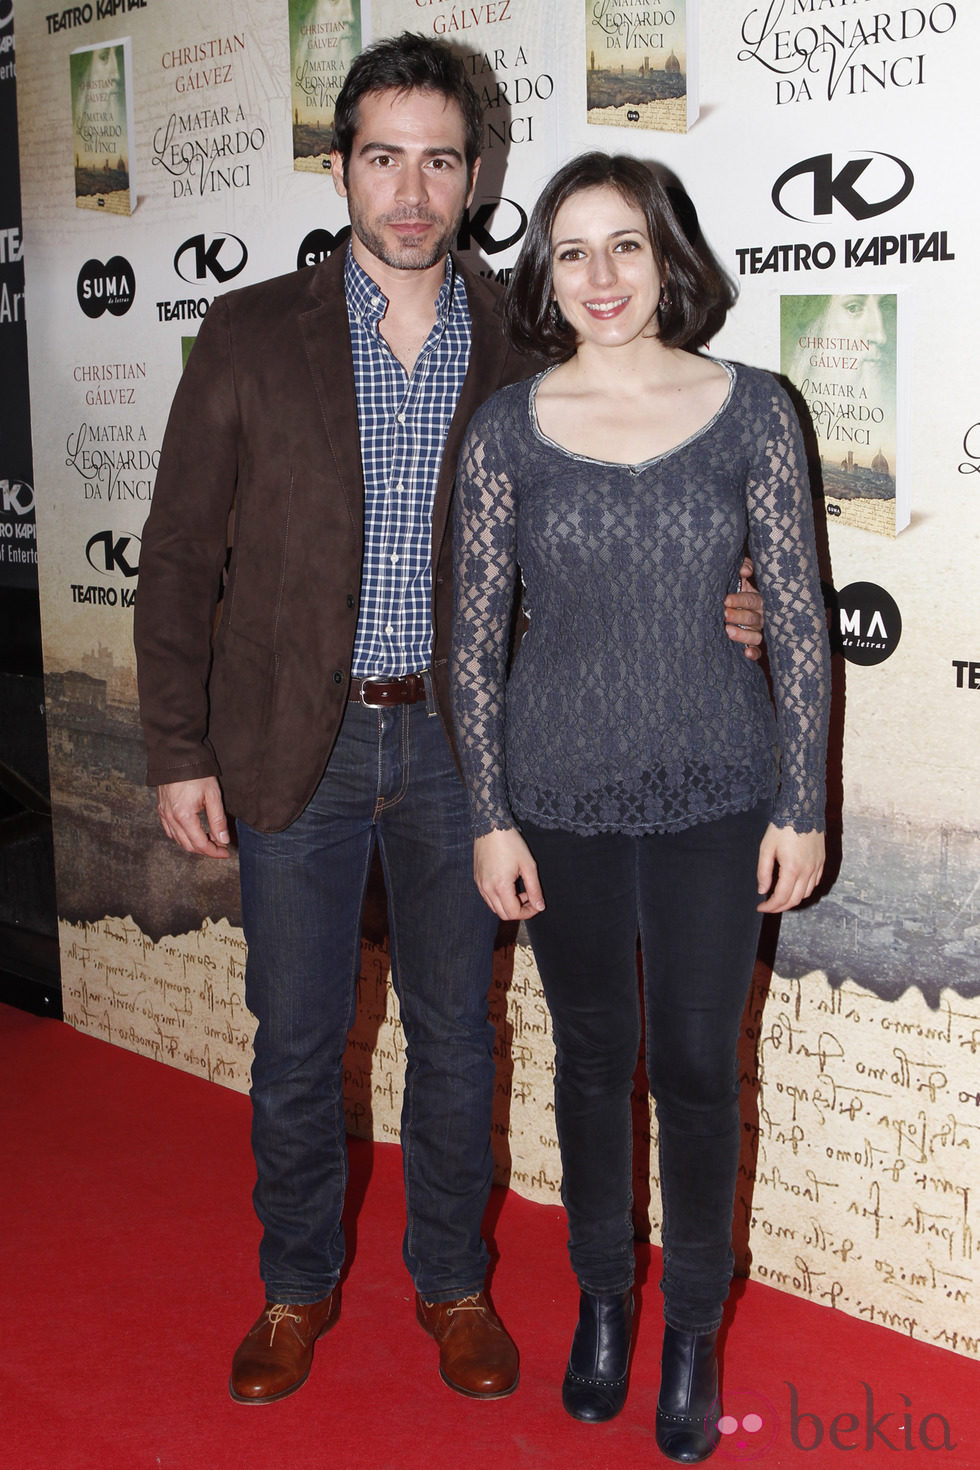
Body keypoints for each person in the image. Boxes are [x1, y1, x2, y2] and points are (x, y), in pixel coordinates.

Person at [134, 37, 765, 1410]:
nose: (410, 189)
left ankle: (450, 1282)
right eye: (381, 156)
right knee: (298, 1034)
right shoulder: (249, 333)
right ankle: (295, 1287)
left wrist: (728, 604)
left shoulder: (534, 341)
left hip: (473, 752)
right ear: (342, 164)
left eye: (439, 158)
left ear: (476, 172)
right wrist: (177, 746)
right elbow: (180, 553)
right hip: (297, 739)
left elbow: (627, 520)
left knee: (458, 1029)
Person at [451, 153, 830, 1461]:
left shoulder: (755, 411)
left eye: (625, 245)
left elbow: (799, 619)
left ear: (670, 255)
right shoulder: (509, 425)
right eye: (572, 251)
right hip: (556, 791)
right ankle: (605, 1297)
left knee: (693, 1066)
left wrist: (803, 796)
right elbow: (470, 639)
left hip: (720, 790)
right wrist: (489, 813)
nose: (601, 276)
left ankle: (692, 1325)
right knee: (590, 1055)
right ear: (544, 275)